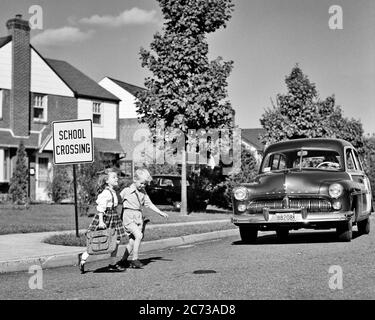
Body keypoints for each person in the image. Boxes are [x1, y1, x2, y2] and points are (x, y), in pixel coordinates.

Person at [117, 168, 168, 269]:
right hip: (128, 217)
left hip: (138, 217)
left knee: (132, 241)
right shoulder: (126, 191)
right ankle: (135, 259)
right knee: (139, 235)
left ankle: (123, 261)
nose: (143, 186)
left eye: (145, 184)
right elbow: (116, 200)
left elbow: (149, 204)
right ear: (135, 180)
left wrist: (160, 212)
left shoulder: (143, 192)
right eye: (141, 183)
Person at [79, 168, 127, 274]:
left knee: (116, 241)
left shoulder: (113, 191)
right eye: (113, 177)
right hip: (106, 217)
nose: (117, 178)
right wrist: (101, 221)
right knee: (99, 240)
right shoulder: (106, 192)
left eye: (116, 177)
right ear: (106, 180)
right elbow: (101, 208)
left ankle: (113, 264)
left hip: (114, 217)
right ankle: (83, 258)